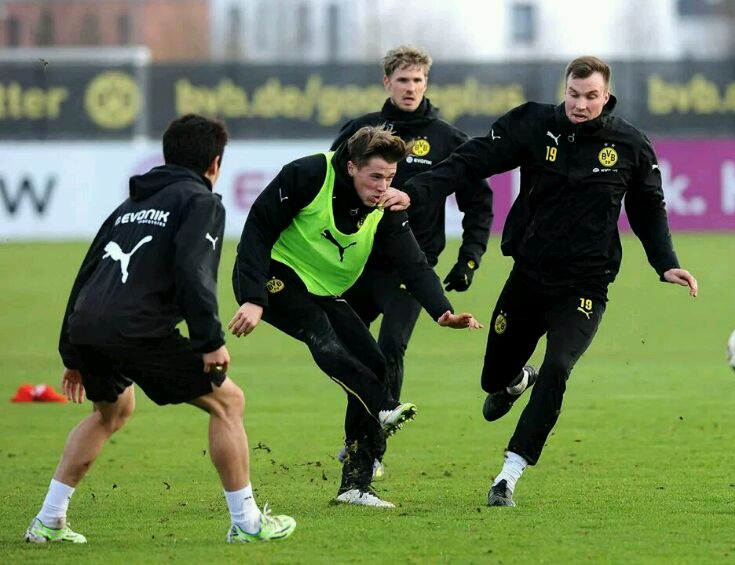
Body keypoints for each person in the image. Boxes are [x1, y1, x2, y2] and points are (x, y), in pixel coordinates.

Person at [403, 56, 699, 507]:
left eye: (591, 96)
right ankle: (515, 380)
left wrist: (665, 263)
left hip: (585, 286)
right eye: (574, 95)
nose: (581, 105)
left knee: (558, 366)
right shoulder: (533, 125)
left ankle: (508, 474)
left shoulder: (630, 144)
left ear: (606, 96)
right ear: (565, 90)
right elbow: (471, 160)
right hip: (528, 277)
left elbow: (648, 208)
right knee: (492, 379)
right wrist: (415, 191)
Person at [25, 114, 296, 544]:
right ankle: (247, 523)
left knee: (111, 411)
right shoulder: (201, 202)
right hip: (138, 330)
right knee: (228, 402)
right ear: (214, 163)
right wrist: (210, 342)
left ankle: (48, 520)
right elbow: (194, 273)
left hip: (89, 328)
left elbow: (87, 275)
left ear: (168, 156)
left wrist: (71, 354)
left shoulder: (128, 207)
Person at [229, 125, 482, 508]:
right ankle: (383, 405)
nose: (383, 187)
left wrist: (442, 311)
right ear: (351, 167)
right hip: (273, 275)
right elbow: (258, 229)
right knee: (320, 332)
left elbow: (413, 264)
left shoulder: (386, 206)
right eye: (375, 176)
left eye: (390, 178)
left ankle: (355, 485)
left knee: (375, 362)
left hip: (322, 288)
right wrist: (252, 297)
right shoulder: (308, 174)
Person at [330, 46, 493, 476]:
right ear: (387, 82)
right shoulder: (358, 132)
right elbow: (330, 188)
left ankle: (371, 450)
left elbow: (478, 204)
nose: (410, 88)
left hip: (410, 268)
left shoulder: (449, 140)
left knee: (390, 348)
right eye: (403, 80)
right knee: (352, 353)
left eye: (417, 80)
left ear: (426, 83)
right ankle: (359, 437)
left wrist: (470, 258)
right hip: (357, 263)